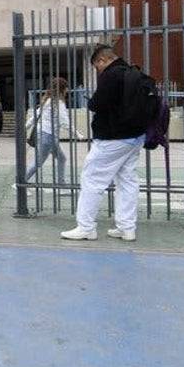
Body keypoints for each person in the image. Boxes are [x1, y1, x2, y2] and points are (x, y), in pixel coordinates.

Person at [61, 45, 145, 243]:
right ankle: (127, 228)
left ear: (102, 60)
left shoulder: (111, 74)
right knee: (127, 181)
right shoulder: (134, 73)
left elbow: (97, 104)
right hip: (134, 136)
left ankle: (86, 227)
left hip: (112, 137)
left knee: (92, 179)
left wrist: (91, 102)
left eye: (96, 66)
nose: (98, 70)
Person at [25, 77, 81, 186]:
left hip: (44, 134)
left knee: (61, 159)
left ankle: (61, 183)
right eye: (66, 88)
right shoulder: (58, 103)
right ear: (62, 89)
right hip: (48, 136)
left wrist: (24, 128)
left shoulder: (48, 100)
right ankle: (20, 181)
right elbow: (65, 122)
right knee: (38, 162)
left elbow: (35, 116)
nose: (67, 90)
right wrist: (77, 134)